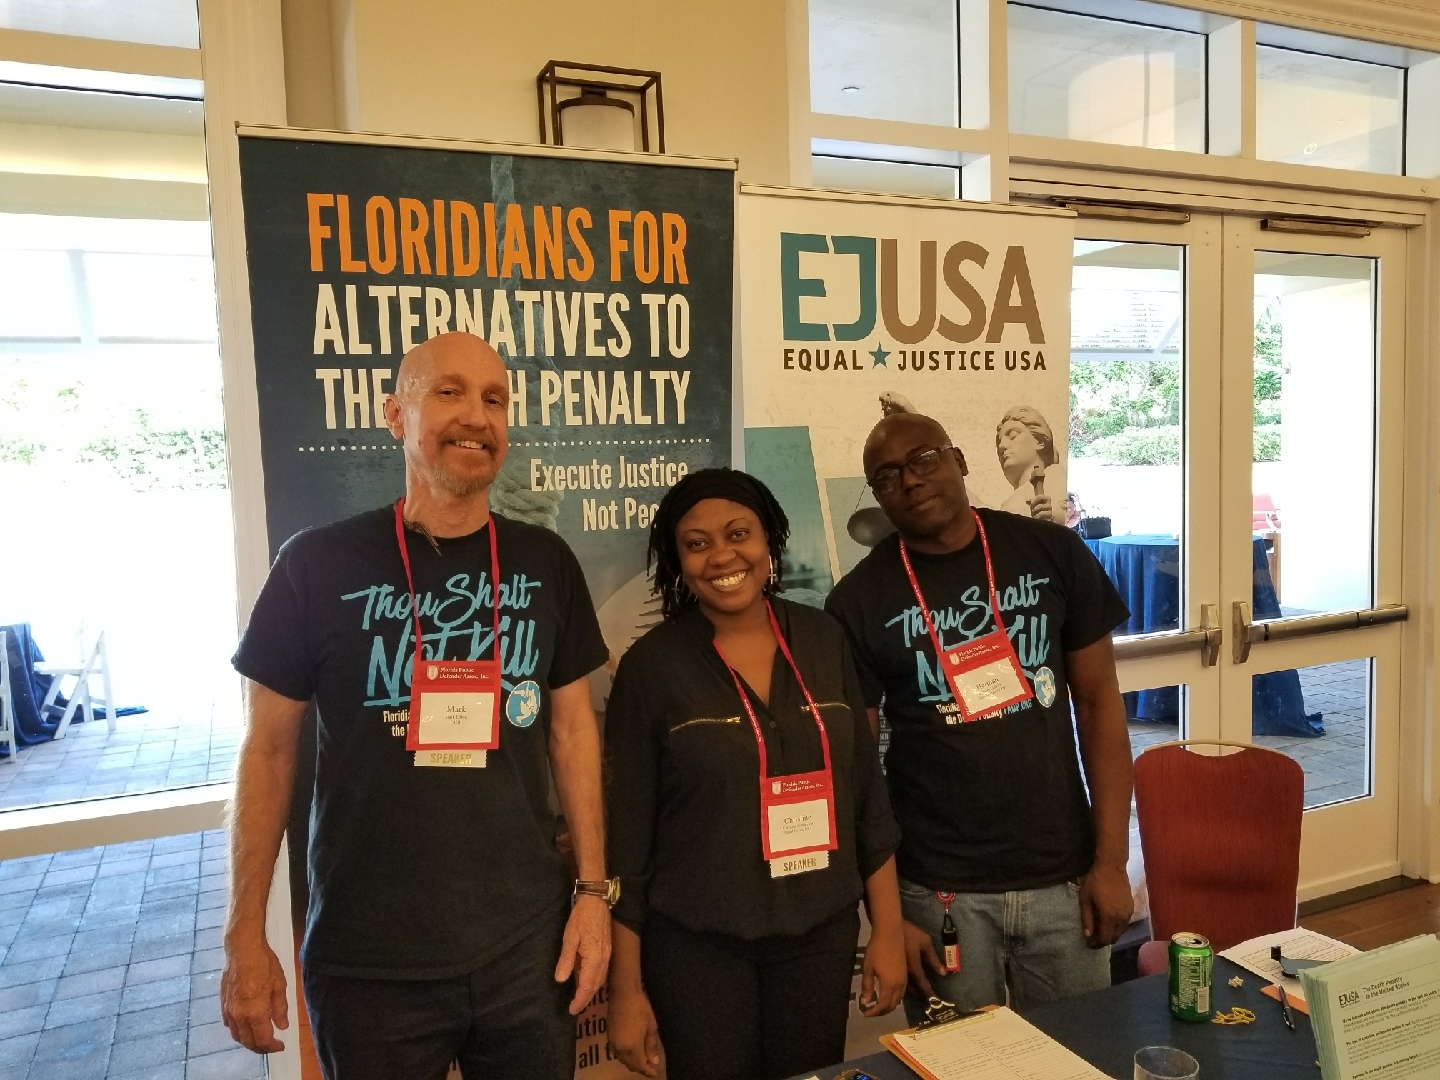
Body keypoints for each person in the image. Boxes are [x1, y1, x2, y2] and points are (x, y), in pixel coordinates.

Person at [222, 332, 615, 1080]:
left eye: (495, 399)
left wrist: (592, 894)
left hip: (527, 950)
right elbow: (267, 751)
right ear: (395, 414)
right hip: (370, 963)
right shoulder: (316, 564)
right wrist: (244, 931)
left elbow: (572, 734)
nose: (477, 415)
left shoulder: (545, 562)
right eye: (450, 392)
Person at [825, 412, 1134, 1020]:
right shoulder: (857, 602)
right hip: (937, 892)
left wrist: (1112, 863)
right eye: (887, 478)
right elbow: (858, 775)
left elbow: (1100, 707)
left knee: (1075, 1061)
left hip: (1064, 881)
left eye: (924, 460)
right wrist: (884, 918)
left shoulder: (1050, 551)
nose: (910, 482)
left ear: (960, 460)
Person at [605, 469, 906, 1080]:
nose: (722, 555)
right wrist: (627, 990)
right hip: (696, 949)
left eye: (738, 533)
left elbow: (865, 797)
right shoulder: (651, 667)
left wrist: (889, 930)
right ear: (678, 560)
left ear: (770, 540)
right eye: (696, 543)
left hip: (818, 938)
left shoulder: (823, 638)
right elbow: (628, 841)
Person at [995, 405, 1059, 522]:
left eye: (1013, 435)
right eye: (999, 441)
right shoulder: (1009, 502)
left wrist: (1054, 514)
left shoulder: (1053, 474)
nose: (1001, 446)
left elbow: (1064, 512)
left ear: (1040, 441)